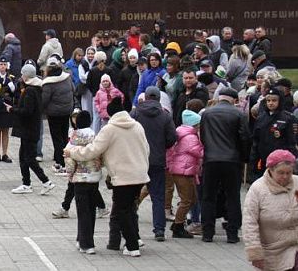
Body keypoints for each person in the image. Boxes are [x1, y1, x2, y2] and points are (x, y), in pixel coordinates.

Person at [65, 102, 150, 257]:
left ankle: (132, 246)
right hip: (140, 175)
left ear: (110, 114)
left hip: (123, 177)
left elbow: (93, 150)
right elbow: (147, 148)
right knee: (131, 208)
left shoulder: (110, 129)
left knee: (122, 211)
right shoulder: (137, 126)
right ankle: (134, 240)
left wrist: (73, 152)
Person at [199, 87, 250, 243]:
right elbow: (245, 138)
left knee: (208, 196)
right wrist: (244, 158)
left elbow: (203, 136)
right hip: (232, 160)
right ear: (234, 100)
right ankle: (232, 233)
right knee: (233, 196)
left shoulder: (207, 113)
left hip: (211, 159)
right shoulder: (239, 114)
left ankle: (207, 232)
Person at [131, 86, 177, 242]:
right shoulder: (165, 116)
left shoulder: (135, 113)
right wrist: (161, 147)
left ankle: (131, 228)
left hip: (138, 160)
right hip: (157, 160)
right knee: (158, 197)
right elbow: (172, 137)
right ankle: (159, 230)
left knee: (133, 196)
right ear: (158, 98)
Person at [243, 149, 298, 270]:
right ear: (271, 170)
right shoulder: (258, 189)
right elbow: (249, 222)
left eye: (289, 173)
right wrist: (255, 252)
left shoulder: (297, 183)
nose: (285, 176)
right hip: (273, 250)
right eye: (281, 172)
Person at [8, 63, 56, 195]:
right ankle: (26, 184)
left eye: (23, 74)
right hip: (30, 129)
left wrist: (12, 109)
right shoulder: (36, 88)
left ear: (26, 76)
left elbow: (27, 111)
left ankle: (46, 182)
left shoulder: (30, 91)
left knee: (29, 158)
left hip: (29, 129)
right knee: (23, 157)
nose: (21, 76)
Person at [63, 112, 103, 255]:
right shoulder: (95, 136)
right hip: (93, 178)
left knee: (82, 212)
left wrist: (70, 174)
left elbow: (68, 158)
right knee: (91, 210)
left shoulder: (74, 137)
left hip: (79, 178)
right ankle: (84, 238)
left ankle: (86, 244)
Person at [166, 109, 204, 239]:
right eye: (199, 124)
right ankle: (178, 226)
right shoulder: (190, 137)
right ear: (194, 124)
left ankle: (178, 222)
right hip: (183, 171)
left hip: (183, 170)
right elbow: (199, 153)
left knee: (192, 198)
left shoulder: (182, 132)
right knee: (186, 200)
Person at [250, 88, 298, 181]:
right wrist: (253, 158)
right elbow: (256, 140)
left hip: (281, 161)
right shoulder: (261, 118)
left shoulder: (288, 118)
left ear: (280, 101)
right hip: (263, 158)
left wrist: (292, 159)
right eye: (268, 100)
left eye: (274, 100)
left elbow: (291, 141)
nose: (271, 103)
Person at [41, 57, 74, 171]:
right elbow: (73, 90)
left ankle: (60, 162)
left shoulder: (48, 82)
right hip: (67, 111)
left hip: (54, 113)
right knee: (65, 136)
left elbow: (44, 100)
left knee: (57, 138)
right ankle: (67, 160)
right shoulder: (67, 77)